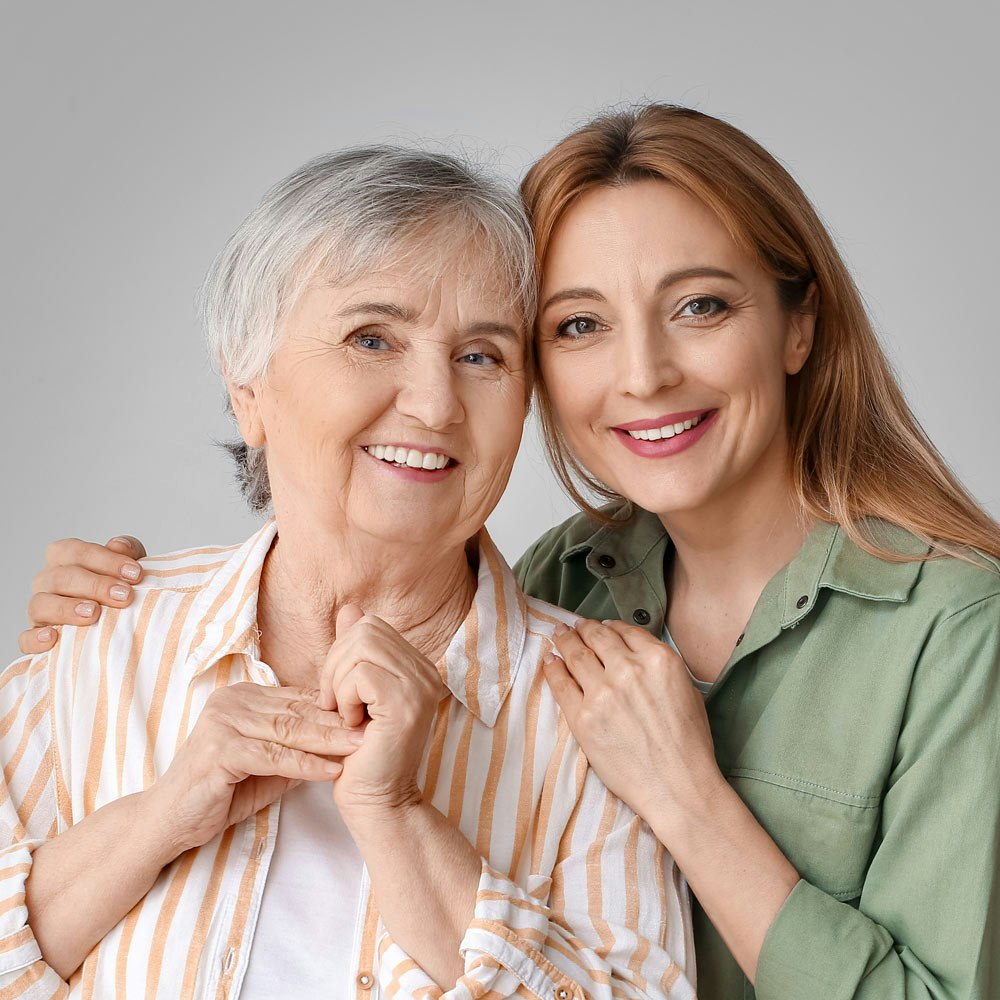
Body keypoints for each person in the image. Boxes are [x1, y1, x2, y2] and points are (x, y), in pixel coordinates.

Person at [19, 104, 1000, 1000]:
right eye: (579, 325)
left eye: (700, 305)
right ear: (248, 386)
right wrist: (124, 692)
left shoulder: (948, 627)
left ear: (800, 327)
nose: (645, 374)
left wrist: (682, 797)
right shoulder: (563, 576)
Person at [0, 146, 695, 999]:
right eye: (373, 338)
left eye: (482, 355)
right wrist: (162, 814)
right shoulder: (100, 635)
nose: (435, 404)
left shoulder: (602, 713)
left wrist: (398, 817)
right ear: (248, 385)